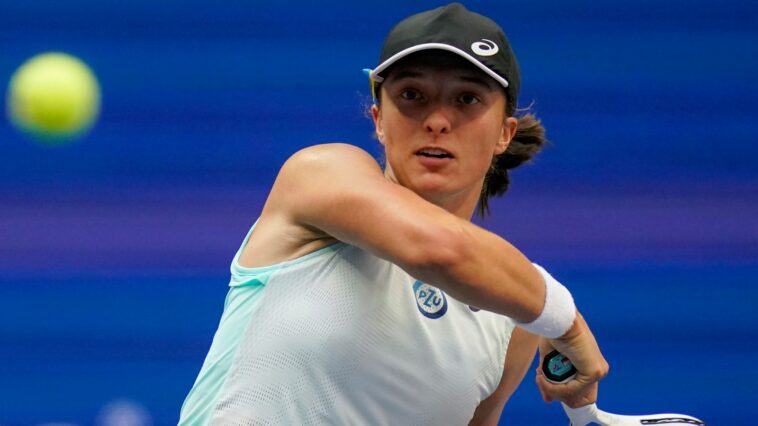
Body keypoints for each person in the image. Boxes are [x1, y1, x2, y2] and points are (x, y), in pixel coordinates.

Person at [179, 3, 608, 425]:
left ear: (504, 133)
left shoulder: (515, 319)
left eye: (467, 98)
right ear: (379, 119)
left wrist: (545, 316)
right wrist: (567, 325)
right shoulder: (320, 174)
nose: (438, 120)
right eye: (412, 96)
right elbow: (443, 249)